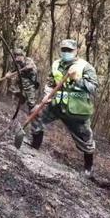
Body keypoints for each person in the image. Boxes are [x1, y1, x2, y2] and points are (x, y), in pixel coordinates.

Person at [31, 39, 98, 177]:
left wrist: (77, 79)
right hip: (56, 104)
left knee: (85, 138)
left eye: (69, 50)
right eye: (64, 50)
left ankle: (88, 168)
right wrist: (47, 94)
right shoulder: (56, 64)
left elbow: (93, 88)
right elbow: (51, 81)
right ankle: (34, 148)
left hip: (76, 109)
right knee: (36, 113)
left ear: (76, 51)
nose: (66, 52)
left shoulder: (85, 67)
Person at [5, 48, 39, 113]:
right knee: (12, 87)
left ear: (21, 56)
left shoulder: (28, 60)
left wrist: (26, 67)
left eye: (17, 56)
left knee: (31, 103)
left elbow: (32, 67)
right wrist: (8, 74)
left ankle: (32, 115)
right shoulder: (15, 63)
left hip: (30, 82)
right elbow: (11, 71)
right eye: (15, 56)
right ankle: (22, 97)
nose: (16, 58)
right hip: (21, 81)